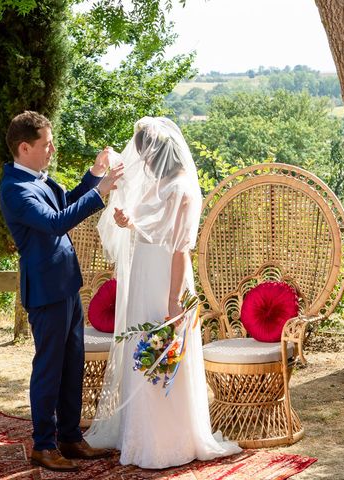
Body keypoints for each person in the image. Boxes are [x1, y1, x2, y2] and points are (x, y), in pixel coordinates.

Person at [84, 117, 241, 469]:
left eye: (146, 155)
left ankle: (169, 440)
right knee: (143, 350)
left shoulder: (181, 188)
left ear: (158, 153)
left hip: (166, 281)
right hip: (143, 277)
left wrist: (174, 301)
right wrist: (127, 222)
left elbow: (180, 249)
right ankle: (139, 436)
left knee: (164, 349)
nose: (144, 162)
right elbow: (143, 227)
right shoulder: (156, 184)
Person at [0, 111, 123, 472]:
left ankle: (70, 437)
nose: (52, 148)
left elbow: (66, 203)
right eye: (46, 143)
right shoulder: (15, 189)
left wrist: (94, 175)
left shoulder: (38, 180)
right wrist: (100, 192)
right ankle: (43, 445)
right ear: (24, 147)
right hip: (45, 291)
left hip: (67, 284)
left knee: (73, 366)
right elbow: (55, 224)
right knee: (49, 369)